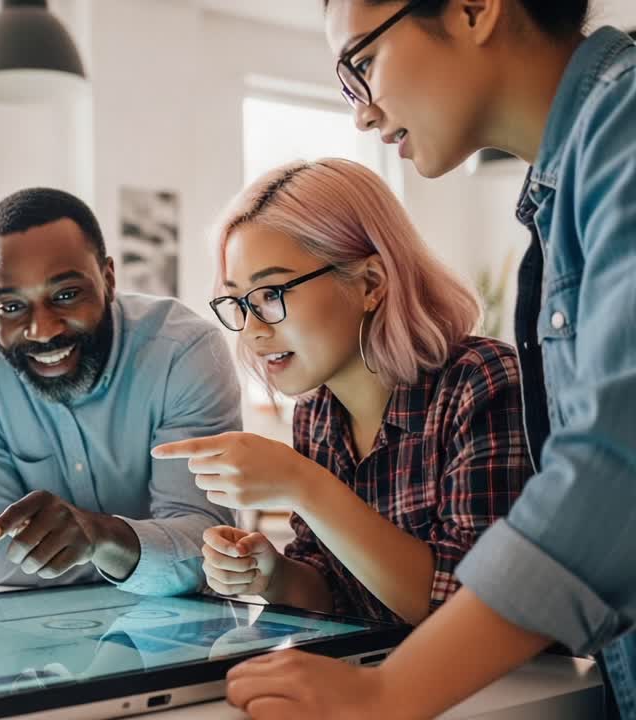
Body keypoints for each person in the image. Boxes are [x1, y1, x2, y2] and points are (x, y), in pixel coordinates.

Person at [223, 2, 636, 717]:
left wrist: (387, 694)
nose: (362, 113)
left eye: (363, 63)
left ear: (476, 9)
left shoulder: (621, 140)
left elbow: (609, 475)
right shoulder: (559, 190)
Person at [152, 158, 529, 626]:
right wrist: (273, 576)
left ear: (371, 283)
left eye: (271, 293)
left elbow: (474, 612)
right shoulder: (317, 415)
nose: (250, 330)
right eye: (239, 302)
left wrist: (304, 484)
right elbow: (334, 592)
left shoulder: (482, 381)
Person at [0, 187, 241, 596]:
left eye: (65, 295)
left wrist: (100, 536)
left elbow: (205, 552)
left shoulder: (184, 352)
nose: (42, 329)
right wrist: (147, 557)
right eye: (10, 306)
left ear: (108, 279)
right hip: (40, 642)